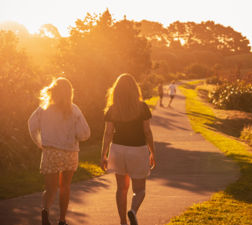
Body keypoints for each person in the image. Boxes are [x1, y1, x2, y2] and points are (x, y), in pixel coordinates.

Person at [28, 77, 90, 225]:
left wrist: (39, 142)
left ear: (53, 91)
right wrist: (74, 134)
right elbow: (85, 133)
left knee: (50, 188)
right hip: (69, 152)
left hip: (51, 152)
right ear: (70, 93)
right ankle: (62, 220)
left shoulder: (44, 108)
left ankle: (45, 210)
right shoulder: (74, 110)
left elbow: (31, 125)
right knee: (65, 186)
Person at [100, 73, 156, 225]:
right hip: (137, 150)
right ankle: (133, 211)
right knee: (139, 190)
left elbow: (108, 133)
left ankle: (123, 221)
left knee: (121, 189)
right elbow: (147, 132)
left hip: (118, 150)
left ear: (116, 91)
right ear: (134, 89)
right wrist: (152, 152)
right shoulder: (142, 107)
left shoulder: (113, 109)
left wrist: (103, 154)